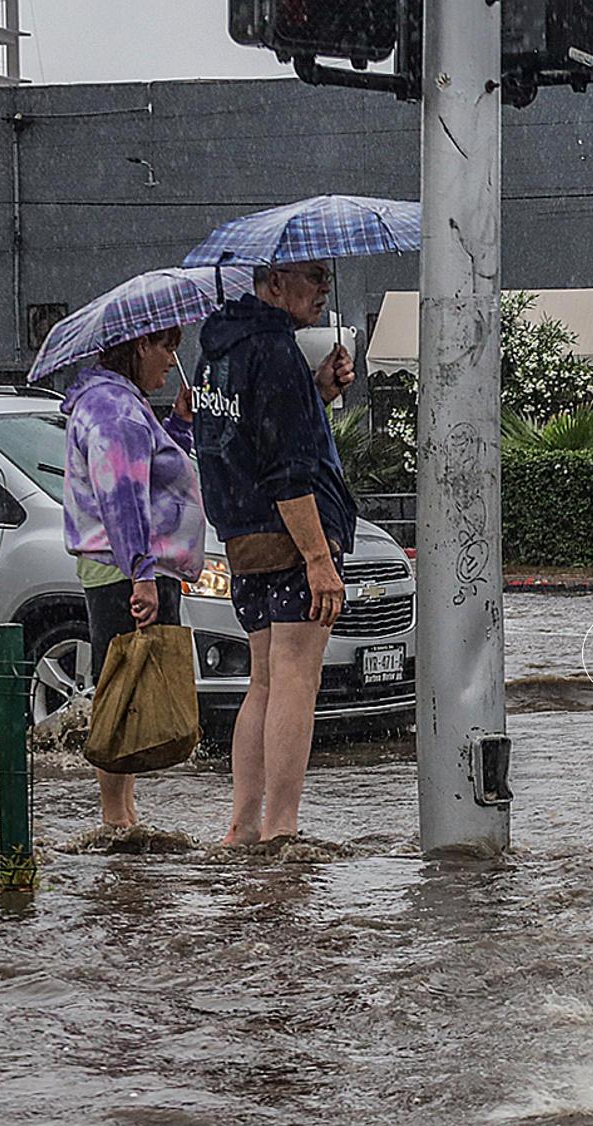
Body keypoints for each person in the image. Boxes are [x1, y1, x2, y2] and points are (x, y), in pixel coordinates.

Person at [192, 260, 357, 846]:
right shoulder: (275, 351)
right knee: (295, 679)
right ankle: (281, 828)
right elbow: (288, 467)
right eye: (313, 277)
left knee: (263, 680)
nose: (324, 288)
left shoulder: (218, 352)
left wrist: (318, 391)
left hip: (242, 540)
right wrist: (318, 557)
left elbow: (243, 434)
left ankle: (243, 823)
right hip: (290, 539)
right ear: (275, 283)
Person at [62, 326, 206, 829]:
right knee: (120, 683)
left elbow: (152, 474)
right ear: (140, 345)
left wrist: (179, 427)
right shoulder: (113, 410)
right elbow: (121, 497)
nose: (171, 359)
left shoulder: (122, 405)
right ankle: (115, 816)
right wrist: (141, 573)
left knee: (126, 679)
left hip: (128, 564)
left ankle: (121, 812)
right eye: (166, 346)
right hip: (125, 566)